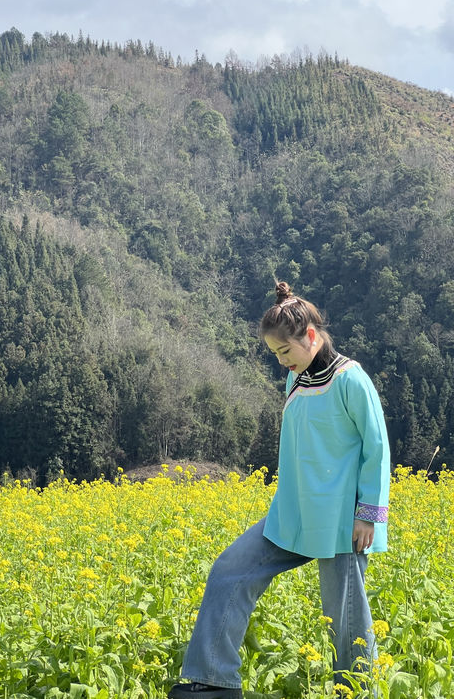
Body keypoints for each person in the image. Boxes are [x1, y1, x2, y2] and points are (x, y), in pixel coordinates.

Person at [168, 281, 390, 698]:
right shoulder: (296, 382)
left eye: (285, 352)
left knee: (346, 621)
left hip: (341, 521)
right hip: (292, 514)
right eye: (275, 355)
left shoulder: (351, 379)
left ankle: (358, 692)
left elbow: (377, 448)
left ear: (309, 336)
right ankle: (212, 682)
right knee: (229, 572)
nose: (281, 362)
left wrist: (368, 515)